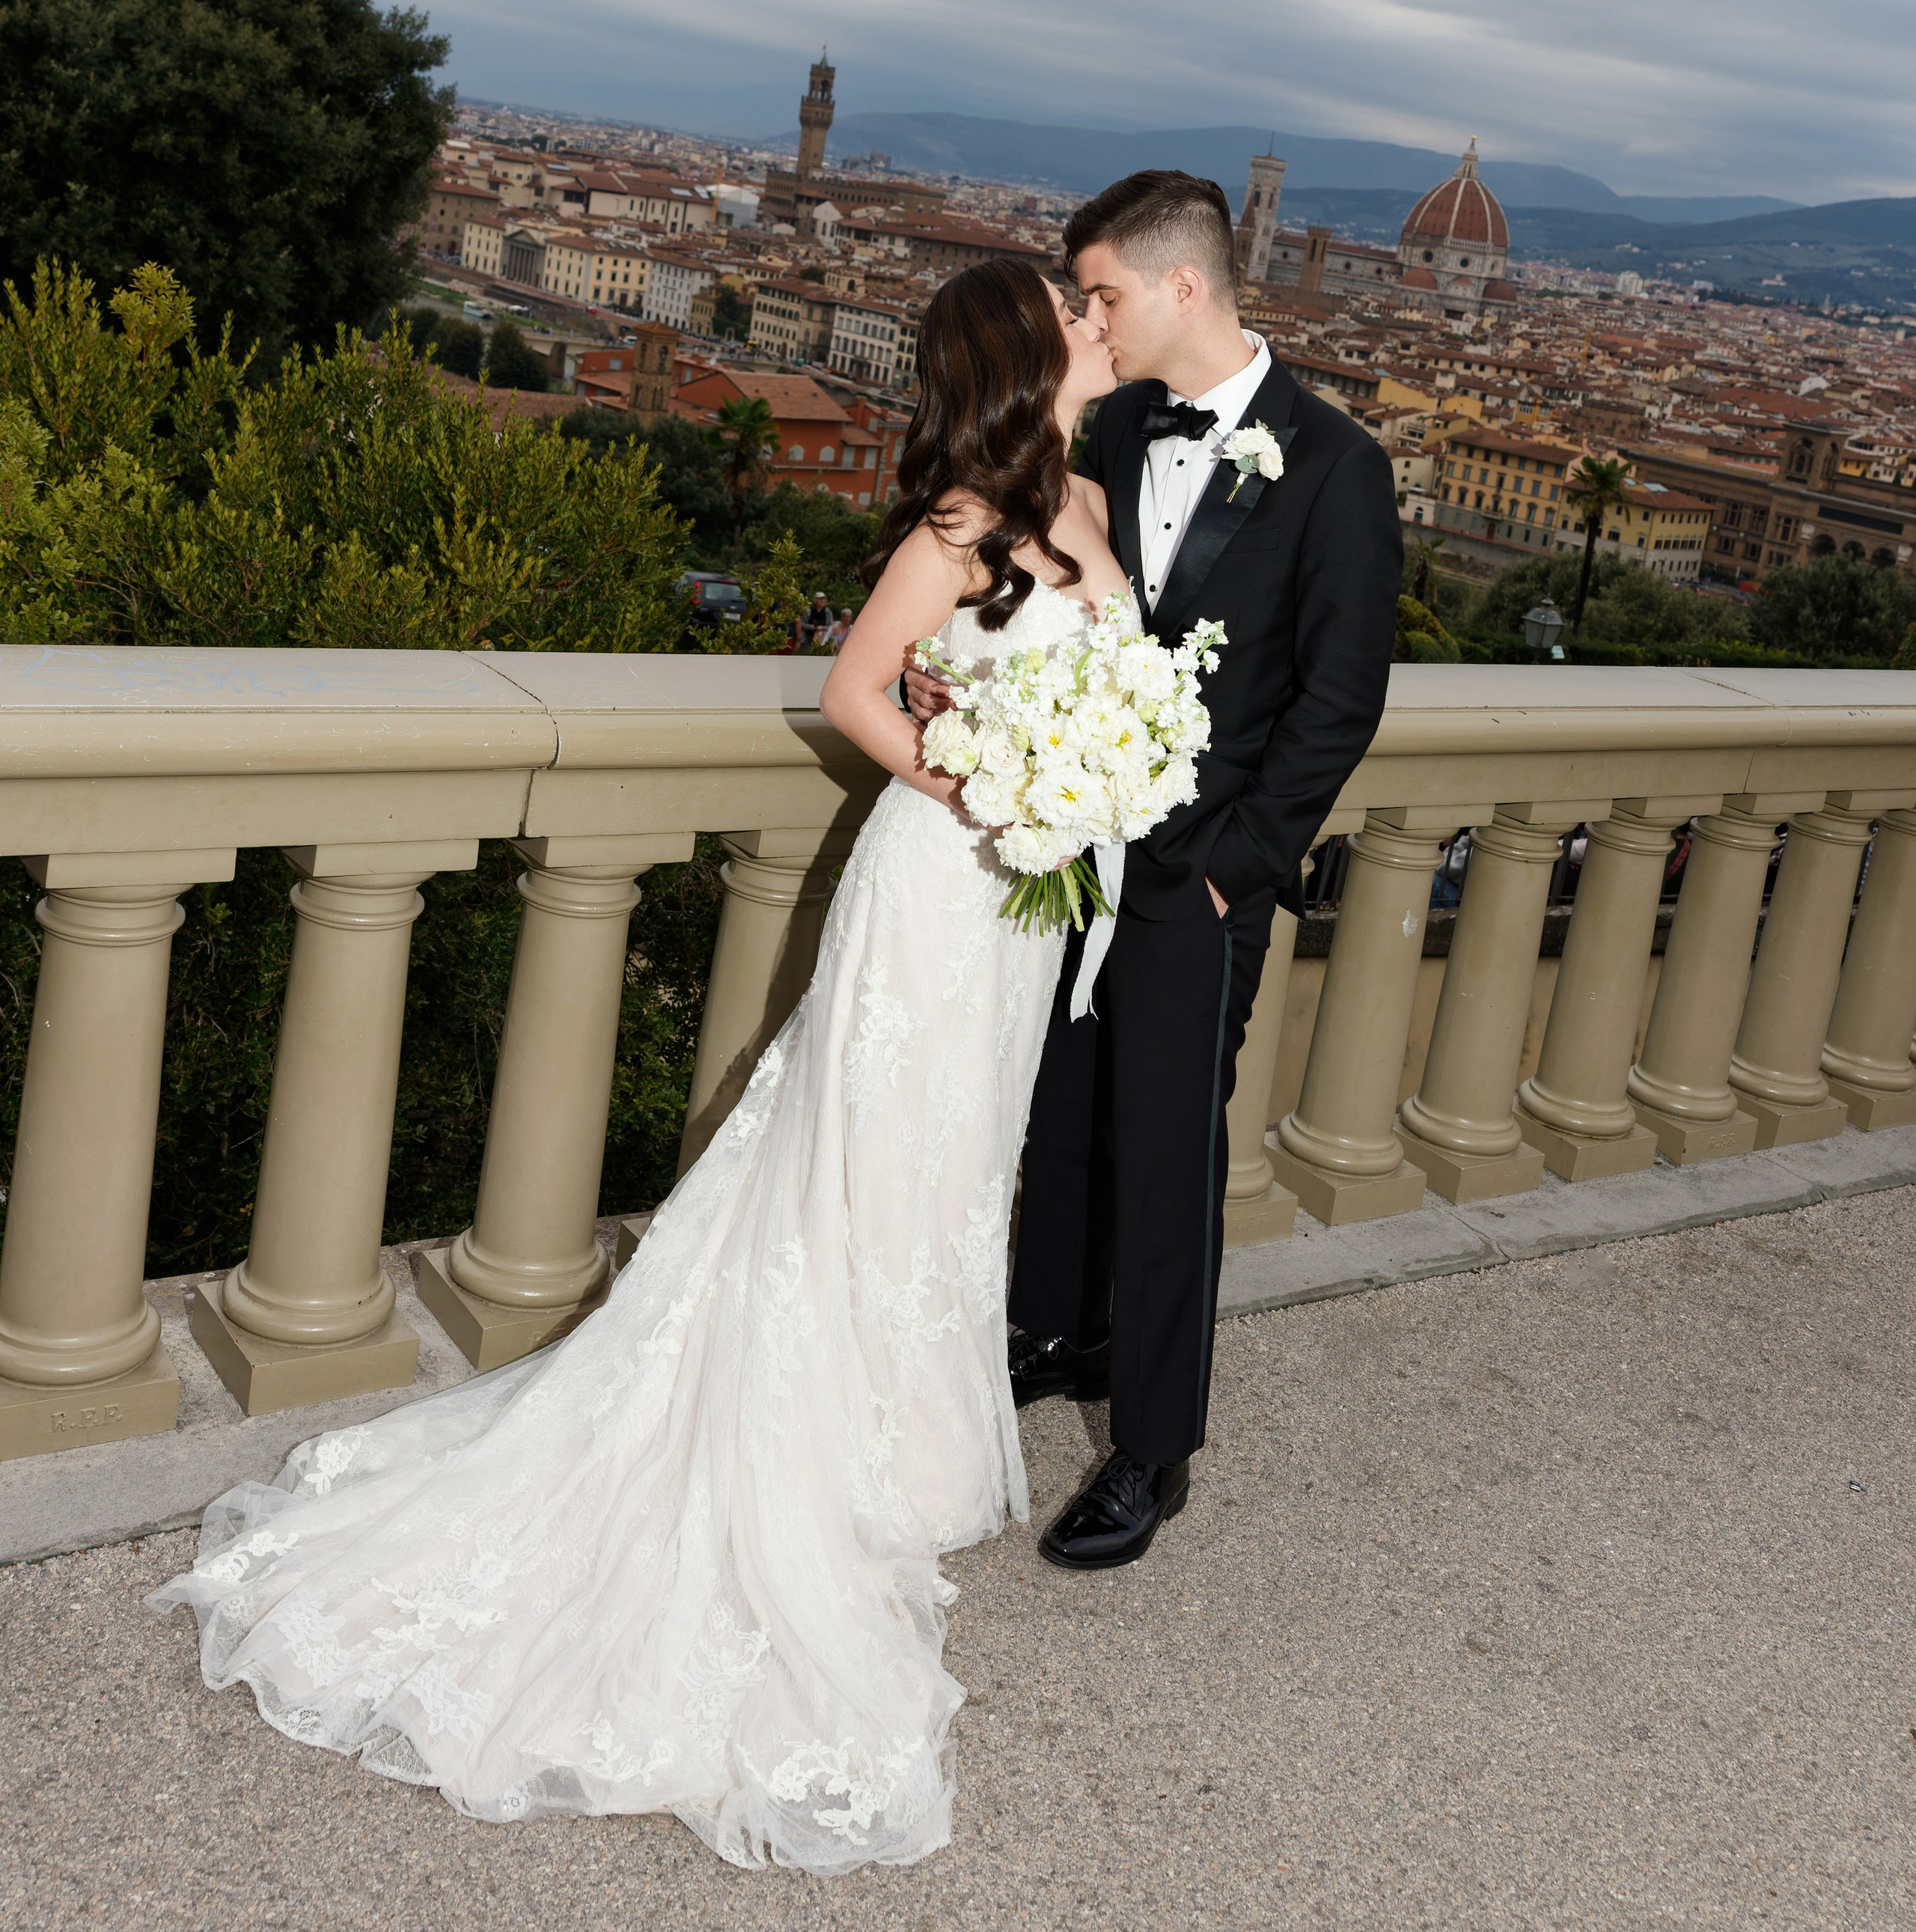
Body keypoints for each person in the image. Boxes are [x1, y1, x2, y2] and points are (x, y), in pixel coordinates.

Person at [152, 256, 1126, 1873]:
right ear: (1025, 354)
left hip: (1026, 914)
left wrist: (1098, 780)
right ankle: (803, 1467)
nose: (1095, 314)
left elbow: (1108, 691)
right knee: (858, 1160)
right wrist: (976, 788)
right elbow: (854, 690)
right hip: (945, 889)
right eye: (1067, 304)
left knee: (948, 1175)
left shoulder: (1085, 498)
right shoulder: (959, 521)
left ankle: (890, 1454)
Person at [906, 169, 1400, 1572]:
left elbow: (1337, 703)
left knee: (1171, 1148)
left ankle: (1154, 1447)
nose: (1092, 322)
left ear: (1184, 287)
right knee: (1063, 1108)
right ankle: (1056, 1332)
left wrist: (1237, 871)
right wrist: (974, 708)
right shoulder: (1110, 426)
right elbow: (1024, 599)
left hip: (1203, 875)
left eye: (1105, 295)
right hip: (1066, 848)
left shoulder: (1341, 469)